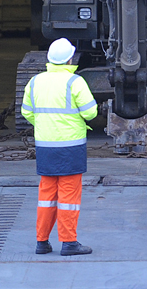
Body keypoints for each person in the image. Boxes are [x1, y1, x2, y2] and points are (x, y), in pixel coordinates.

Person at [21, 38, 97, 256]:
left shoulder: (35, 82)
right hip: (70, 148)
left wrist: (45, 124)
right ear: (70, 59)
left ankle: (41, 242)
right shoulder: (75, 82)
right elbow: (91, 112)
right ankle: (69, 242)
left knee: (46, 196)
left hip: (45, 148)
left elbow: (27, 111)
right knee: (68, 198)